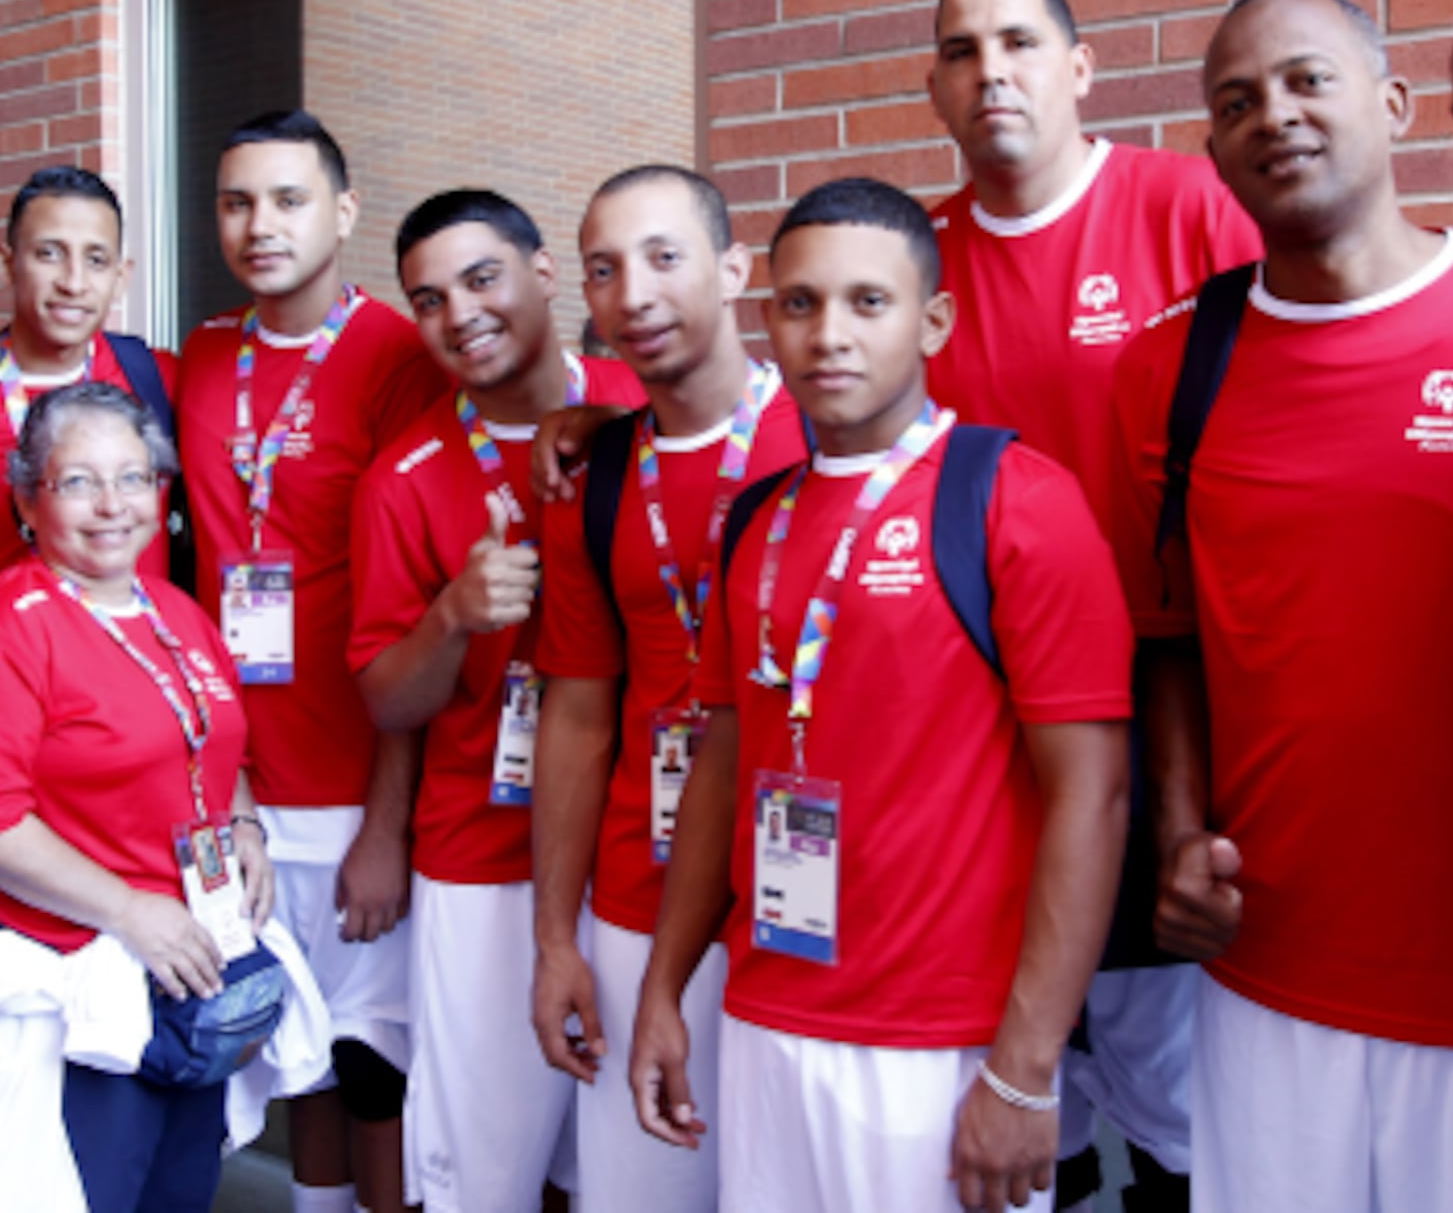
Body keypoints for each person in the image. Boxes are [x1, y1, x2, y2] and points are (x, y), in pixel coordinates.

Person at [627, 176, 1133, 1213]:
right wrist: (664, 988)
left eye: (869, 301)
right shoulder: (758, 517)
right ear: (767, 319)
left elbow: (1094, 795)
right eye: (801, 303)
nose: (829, 334)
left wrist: (1024, 1065)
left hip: (937, 1047)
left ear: (932, 319)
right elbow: (725, 760)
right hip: (767, 1011)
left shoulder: (1014, 498)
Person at [1110, 0, 1453, 1213]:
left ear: (1397, 106)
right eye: (1235, 102)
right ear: (1211, 151)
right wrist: (1181, 831)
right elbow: (1169, 635)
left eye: (1305, 81)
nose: (1272, 117)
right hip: (1267, 980)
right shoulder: (1169, 368)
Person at [923, 0, 1261, 1201]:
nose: (989, 69)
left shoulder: (1187, 209)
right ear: (934, 88)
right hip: (986, 734)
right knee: (1026, 1073)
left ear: (1079, 68)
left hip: (1175, 711)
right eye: (960, 50)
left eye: (1017, 41)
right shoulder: (919, 261)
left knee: (1175, 1080)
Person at [0, 381, 274, 1212]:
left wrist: (242, 819)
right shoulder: (5, 628)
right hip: (76, 983)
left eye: (134, 479)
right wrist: (129, 911)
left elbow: (209, 740)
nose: (112, 506)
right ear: (28, 501)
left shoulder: (172, 610)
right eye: (77, 483)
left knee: (180, 1190)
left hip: (186, 968)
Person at [349, 189, 643, 1212]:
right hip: (484, 853)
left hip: (640, 853)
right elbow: (387, 699)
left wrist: (622, 424)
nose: (459, 314)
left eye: (482, 279)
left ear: (545, 273)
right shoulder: (406, 475)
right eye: (427, 299)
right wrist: (451, 616)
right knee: (489, 1173)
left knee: (614, 1161)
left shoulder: (642, 405)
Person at [175, 110, 444, 1213]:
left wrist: (387, 824)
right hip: (225, 783)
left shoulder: (398, 359)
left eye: (287, 200)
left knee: (372, 1061)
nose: (259, 224)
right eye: (237, 201)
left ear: (341, 211)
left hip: (349, 779)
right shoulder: (197, 354)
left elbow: (418, 610)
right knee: (286, 1053)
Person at [530, 165, 810, 1213]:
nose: (633, 293)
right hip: (636, 904)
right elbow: (576, 712)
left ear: (734, 268)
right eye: (603, 270)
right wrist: (555, 937)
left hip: (808, 914)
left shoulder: (832, 434)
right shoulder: (593, 475)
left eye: (663, 257)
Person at [0, 164, 185, 991]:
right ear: (4, 257)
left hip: (116, 786)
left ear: (124, 272)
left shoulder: (161, 383)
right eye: (49, 253)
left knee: (112, 1046)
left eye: (96, 258)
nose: (72, 279)